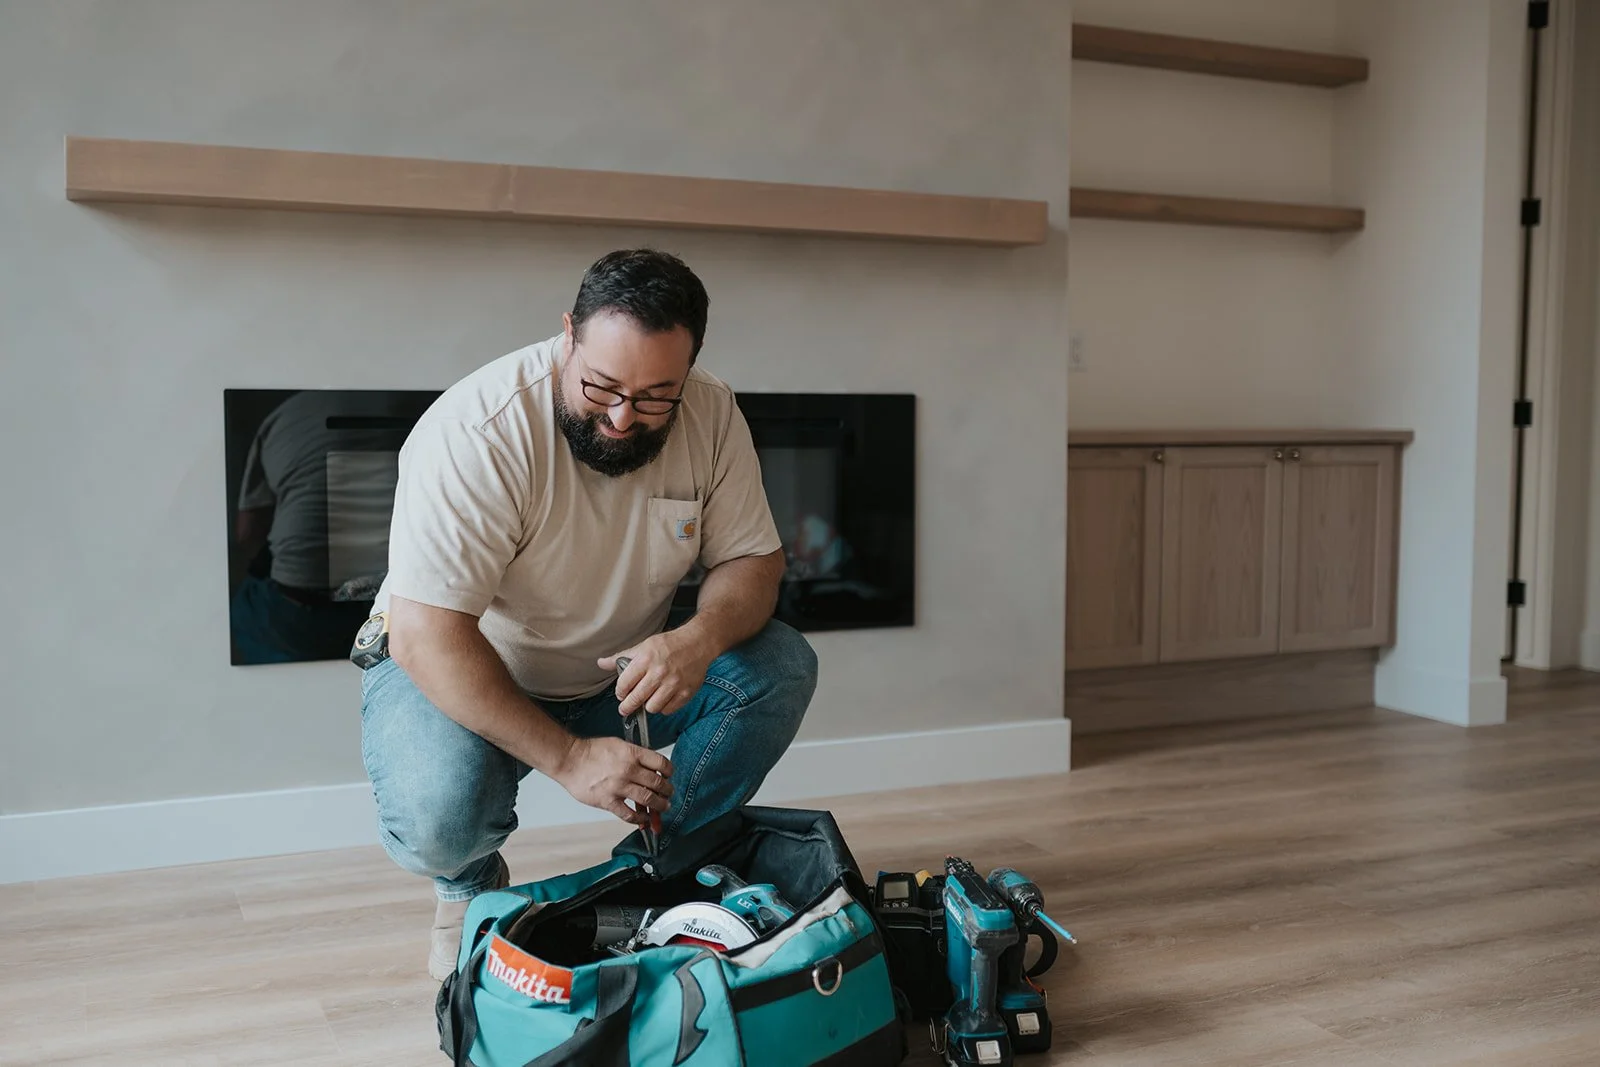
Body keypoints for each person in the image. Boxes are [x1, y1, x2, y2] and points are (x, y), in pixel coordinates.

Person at [355, 248, 817, 979]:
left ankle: (646, 873)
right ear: (567, 335)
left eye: (656, 395)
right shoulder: (481, 429)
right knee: (439, 816)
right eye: (599, 385)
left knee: (779, 664)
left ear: (690, 367)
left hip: (616, 677)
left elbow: (754, 564)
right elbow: (427, 634)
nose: (622, 416)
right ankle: (468, 887)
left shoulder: (712, 411)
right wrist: (569, 759)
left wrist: (697, 638)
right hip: (463, 667)